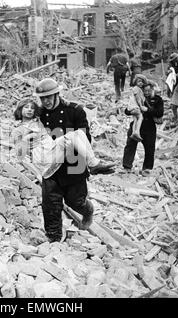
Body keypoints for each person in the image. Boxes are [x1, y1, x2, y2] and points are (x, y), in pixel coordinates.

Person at [32, 78, 114, 242]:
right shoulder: (40, 114)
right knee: (50, 205)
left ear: (57, 95)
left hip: (74, 163)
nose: (46, 101)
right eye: (43, 98)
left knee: (75, 202)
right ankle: (54, 240)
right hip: (52, 164)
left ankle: (88, 209)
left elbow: (85, 139)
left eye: (49, 97)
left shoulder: (75, 110)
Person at [10, 98, 114, 179]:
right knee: (72, 136)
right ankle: (93, 165)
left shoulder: (38, 122)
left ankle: (93, 163)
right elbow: (19, 154)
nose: (29, 110)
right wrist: (26, 138)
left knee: (79, 133)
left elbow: (53, 106)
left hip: (50, 148)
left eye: (32, 108)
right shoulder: (18, 130)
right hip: (39, 156)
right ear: (20, 110)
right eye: (26, 107)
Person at [122, 83, 164, 174]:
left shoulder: (157, 99)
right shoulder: (137, 97)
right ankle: (127, 166)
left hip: (149, 127)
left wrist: (148, 110)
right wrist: (131, 111)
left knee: (149, 149)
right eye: (145, 91)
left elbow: (160, 112)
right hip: (136, 126)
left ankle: (147, 169)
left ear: (152, 90)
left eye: (149, 90)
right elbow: (127, 111)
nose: (147, 92)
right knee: (130, 145)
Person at [127, 74, 148, 142]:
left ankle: (133, 133)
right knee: (140, 117)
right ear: (136, 82)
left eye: (141, 82)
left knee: (135, 119)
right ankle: (137, 131)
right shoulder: (137, 88)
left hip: (131, 107)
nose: (140, 83)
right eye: (139, 81)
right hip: (135, 106)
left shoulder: (137, 89)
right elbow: (137, 98)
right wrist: (140, 106)